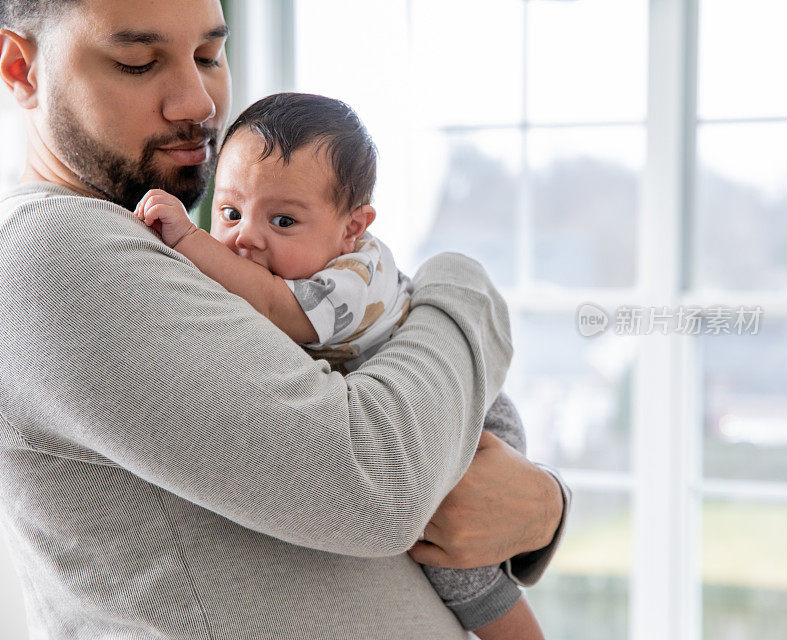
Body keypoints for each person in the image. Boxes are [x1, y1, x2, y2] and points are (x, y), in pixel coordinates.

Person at [0, 1, 570, 638]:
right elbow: (383, 485)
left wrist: (541, 504)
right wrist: (463, 287)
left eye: (211, 56)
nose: (199, 103)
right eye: (138, 63)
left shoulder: (161, 249)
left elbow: (440, 486)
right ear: (21, 68)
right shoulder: (52, 252)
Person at [133, 91, 547, 638]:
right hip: (422, 412)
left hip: (469, 416)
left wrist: (186, 238)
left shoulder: (354, 275)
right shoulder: (260, 264)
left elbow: (281, 313)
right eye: (230, 212)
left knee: (453, 566)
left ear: (353, 226)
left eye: (282, 220)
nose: (245, 238)